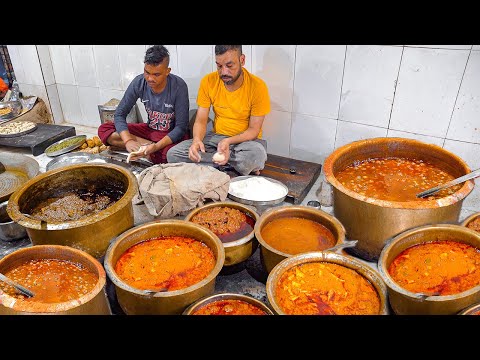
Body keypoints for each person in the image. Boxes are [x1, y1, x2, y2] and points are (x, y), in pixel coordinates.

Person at [166, 45, 270, 175]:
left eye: (230, 65)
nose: (224, 72)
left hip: (246, 143)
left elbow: (254, 130)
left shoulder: (258, 87)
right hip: (216, 139)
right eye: (219, 66)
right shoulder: (208, 81)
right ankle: (229, 165)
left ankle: (213, 164)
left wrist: (228, 142)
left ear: (242, 60)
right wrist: (197, 140)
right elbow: (201, 121)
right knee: (173, 154)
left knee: (256, 154)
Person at [98, 45, 189, 163]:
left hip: (170, 136)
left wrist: (156, 146)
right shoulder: (139, 82)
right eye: (147, 72)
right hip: (149, 131)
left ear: (167, 71)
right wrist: (128, 141)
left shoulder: (179, 86)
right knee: (104, 129)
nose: (150, 78)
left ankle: (148, 150)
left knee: (171, 155)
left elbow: (181, 128)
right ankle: (145, 148)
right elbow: (120, 114)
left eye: (156, 74)